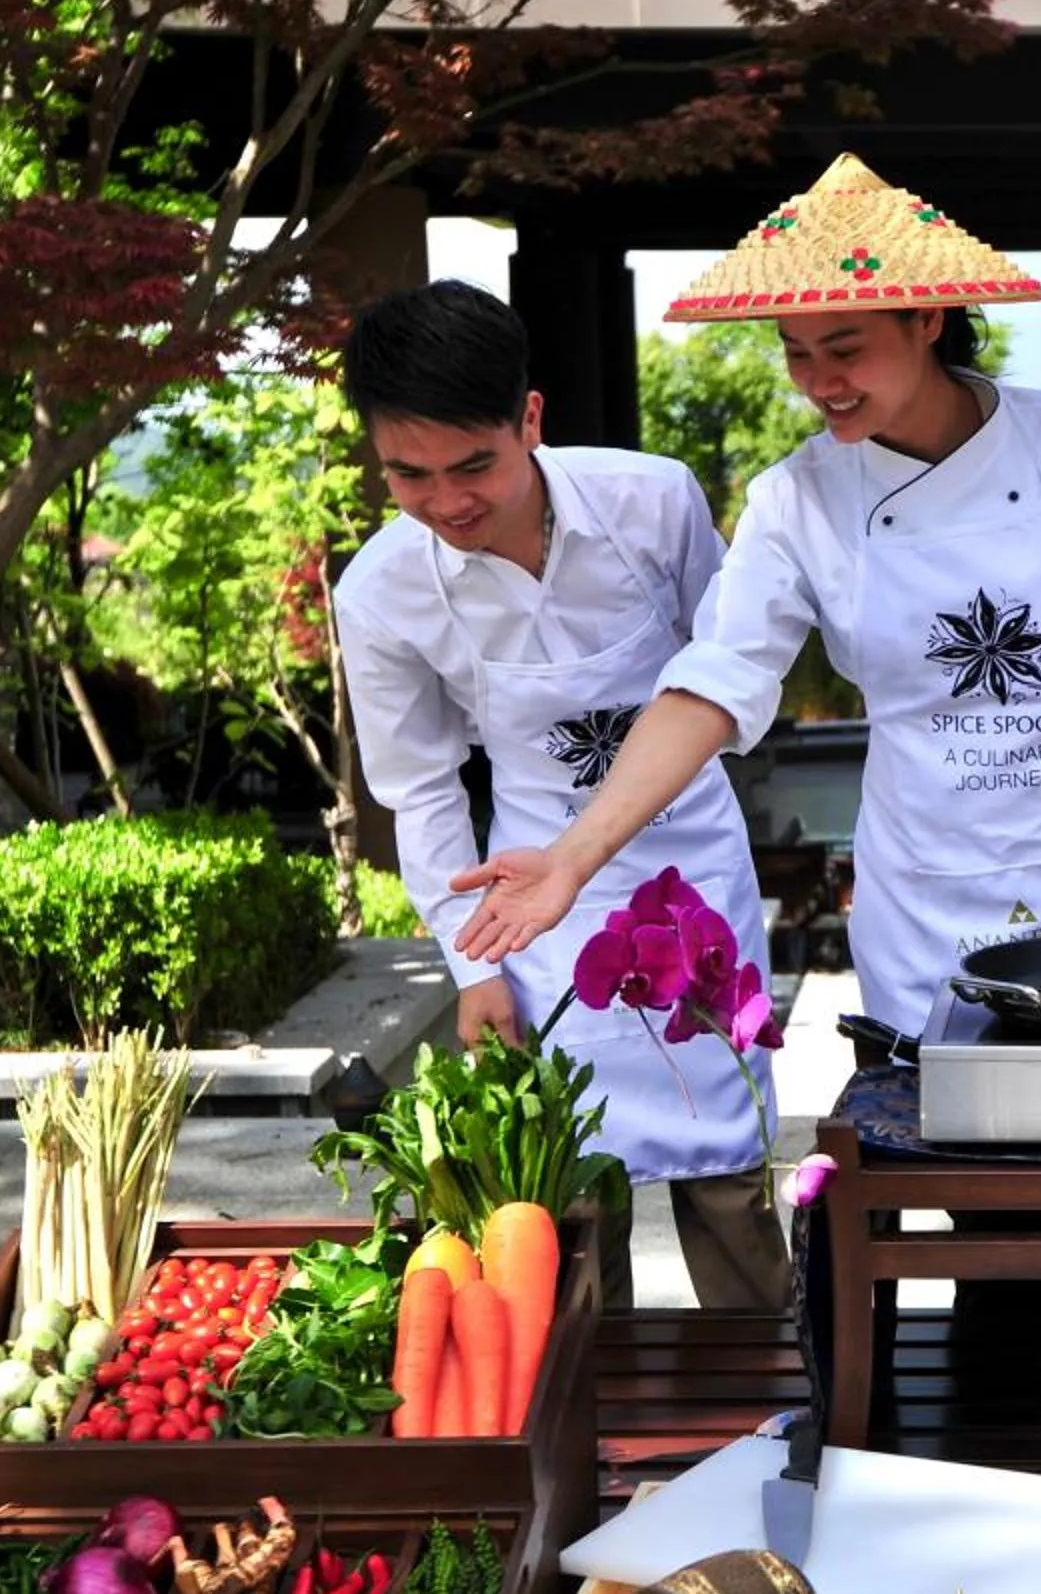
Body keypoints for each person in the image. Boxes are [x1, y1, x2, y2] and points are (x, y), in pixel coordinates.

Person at [446, 154, 1041, 1320]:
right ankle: (1001, 1476)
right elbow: (710, 685)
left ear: (926, 317)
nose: (818, 382)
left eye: (845, 347)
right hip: (937, 896)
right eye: (795, 353)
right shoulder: (797, 500)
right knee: (991, 1246)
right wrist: (574, 857)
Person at [333, 279, 792, 1313]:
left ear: (531, 419)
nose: (447, 503)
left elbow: (727, 678)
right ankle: (592, 1437)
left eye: (474, 467)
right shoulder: (382, 591)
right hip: (536, 901)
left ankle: (770, 1415)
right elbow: (420, 789)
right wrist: (471, 961)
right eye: (408, 473)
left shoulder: (654, 501)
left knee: (728, 1171)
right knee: (567, 1189)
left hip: (693, 872)